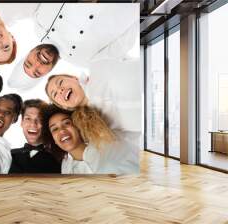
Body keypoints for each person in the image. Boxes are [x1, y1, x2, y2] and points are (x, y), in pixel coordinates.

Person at [9, 3, 139, 90]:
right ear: (48, 73)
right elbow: (123, 44)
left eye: (28, 63)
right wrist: (133, 11)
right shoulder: (85, 61)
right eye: (37, 72)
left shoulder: (38, 23)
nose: (37, 63)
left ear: (29, 52)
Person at [45, 59, 142, 132]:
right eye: (55, 94)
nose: (60, 90)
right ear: (64, 106)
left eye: (60, 82)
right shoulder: (91, 128)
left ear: (74, 78)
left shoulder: (99, 67)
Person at [41, 105, 139, 175]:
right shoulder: (65, 169)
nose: (62, 130)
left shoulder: (106, 139)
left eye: (67, 123)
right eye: (55, 129)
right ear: (53, 140)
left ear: (77, 126)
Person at [9, 99, 61, 174]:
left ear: (46, 125)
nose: (33, 124)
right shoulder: (8, 155)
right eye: (28, 118)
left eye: (39, 119)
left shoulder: (60, 158)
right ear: (22, 122)